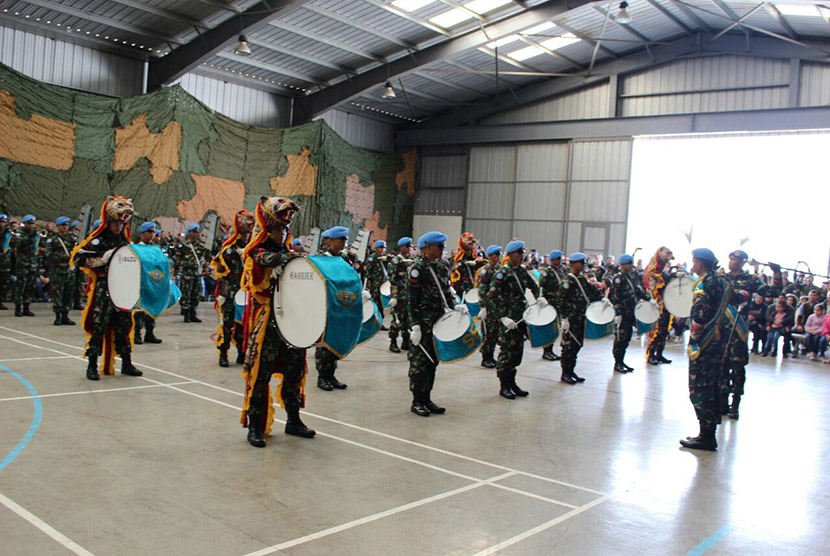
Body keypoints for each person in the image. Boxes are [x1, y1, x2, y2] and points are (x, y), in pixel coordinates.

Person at [240, 196, 315, 448]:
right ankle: (255, 427)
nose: (282, 234)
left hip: (292, 322)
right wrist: (286, 259)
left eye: (285, 229)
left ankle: (293, 420)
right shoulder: (257, 249)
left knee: (294, 372)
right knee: (260, 375)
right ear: (268, 228)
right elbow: (262, 259)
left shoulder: (291, 252)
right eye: (277, 229)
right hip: (269, 322)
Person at [70, 196, 142, 381]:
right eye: (116, 224)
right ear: (109, 222)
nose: (119, 227)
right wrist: (101, 259)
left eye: (122, 224)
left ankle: (126, 363)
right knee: (98, 325)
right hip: (103, 290)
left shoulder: (126, 243)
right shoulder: (97, 241)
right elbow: (78, 257)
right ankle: (92, 365)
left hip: (122, 290)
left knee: (124, 326)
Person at [680, 248, 735, 451]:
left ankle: (706, 436)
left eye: (694, 261)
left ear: (700, 263)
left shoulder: (705, 283)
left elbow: (700, 315)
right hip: (717, 341)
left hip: (704, 343)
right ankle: (709, 431)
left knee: (699, 389)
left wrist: (694, 338)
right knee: (712, 386)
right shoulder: (721, 281)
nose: (692, 265)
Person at [407, 231, 456, 417]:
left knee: (432, 362)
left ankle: (427, 398)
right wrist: (415, 326)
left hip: (438, 321)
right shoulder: (416, 269)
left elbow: (446, 292)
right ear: (427, 247)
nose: (443, 250)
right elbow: (412, 300)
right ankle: (417, 400)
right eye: (440, 246)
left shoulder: (443, 266)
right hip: (423, 323)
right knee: (419, 363)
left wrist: (454, 309)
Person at [489, 240, 543, 399]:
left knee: (517, 352)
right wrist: (502, 317)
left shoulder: (521, 271)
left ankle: (512, 383)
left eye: (523, 253)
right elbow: (492, 297)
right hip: (508, 319)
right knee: (506, 352)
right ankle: (504, 385)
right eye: (520, 253)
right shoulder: (502, 273)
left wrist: (539, 298)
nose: (522, 256)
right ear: (511, 254)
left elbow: (534, 286)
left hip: (520, 318)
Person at [719, 250, 761, 419]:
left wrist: (777, 275)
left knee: (737, 366)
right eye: (730, 259)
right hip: (722, 329)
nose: (731, 262)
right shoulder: (723, 278)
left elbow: (770, 291)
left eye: (735, 260)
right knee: (721, 365)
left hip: (738, 329)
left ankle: (735, 404)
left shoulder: (751, 280)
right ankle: (722, 401)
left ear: (743, 262)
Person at [210, 210, 253, 367]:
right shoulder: (229, 245)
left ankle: (242, 353)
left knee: (244, 322)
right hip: (230, 289)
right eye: (246, 222)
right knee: (226, 323)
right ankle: (223, 353)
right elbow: (219, 268)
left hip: (247, 290)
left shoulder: (253, 245)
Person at [314, 226, 354, 391]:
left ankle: (331, 375)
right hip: (324, 306)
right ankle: (322, 377)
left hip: (341, 305)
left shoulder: (345, 258)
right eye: (340, 240)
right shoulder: (319, 259)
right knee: (324, 342)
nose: (343, 243)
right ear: (328, 241)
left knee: (336, 340)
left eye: (345, 239)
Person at [556, 252, 604, 384]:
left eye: (583, 262)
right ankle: (565, 373)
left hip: (580, 317)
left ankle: (571, 371)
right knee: (568, 347)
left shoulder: (582, 279)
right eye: (581, 263)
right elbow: (560, 301)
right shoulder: (567, 281)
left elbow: (592, 292)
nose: (583, 265)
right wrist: (564, 318)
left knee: (577, 345)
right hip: (570, 320)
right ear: (573, 264)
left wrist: (603, 298)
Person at [610, 253, 650, 373]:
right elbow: (615, 297)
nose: (631, 266)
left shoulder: (631, 276)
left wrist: (649, 299)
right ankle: (617, 363)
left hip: (631, 312)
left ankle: (621, 361)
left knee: (627, 338)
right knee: (620, 338)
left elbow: (637, 290)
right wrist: (618, 313)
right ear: (623, 265)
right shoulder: (618, 278)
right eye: (629, 264)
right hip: (623, 313)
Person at [131, 222, 164, 345]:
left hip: (154, 282)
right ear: (142, 234)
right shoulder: (136, 248)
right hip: (141, 283)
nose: (152, 234)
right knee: (139, 310)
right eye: (149, 232)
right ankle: (137, 334)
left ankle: (149, 332)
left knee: (152, 308)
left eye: (153, 232)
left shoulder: (156, 249)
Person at [644, 246, 675, 365]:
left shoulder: (661, 272)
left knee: (664, 330)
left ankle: (659, 353)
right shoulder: (652, 272)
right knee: (656, 330)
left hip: (666, 304)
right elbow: (655, 288)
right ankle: (651, 354)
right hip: (657, 305)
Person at [44, 216, 77, 326]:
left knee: (68, 293)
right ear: (58, 226)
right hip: (58, 270)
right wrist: (61, 257)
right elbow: (48, 253)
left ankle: (65, 316)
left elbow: (76, 251)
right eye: (63, 225)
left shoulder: (72, 238)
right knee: (57, 293)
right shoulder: (53, 239)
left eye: (67, 225)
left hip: (69, 270)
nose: (65, 227)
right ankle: (58, 316)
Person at [476, 245, 502, 368]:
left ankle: (491, 356)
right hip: (488, 306)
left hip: (497, 306)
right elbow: (481, 290)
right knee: (488, 333)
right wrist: (482, 307)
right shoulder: (485, 270)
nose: (499, 256)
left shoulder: (499, 269)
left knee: (495, 332)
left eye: (499, 254)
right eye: (496, 254)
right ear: (490, 256)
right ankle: (485, 358)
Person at [177, 223, 208, 323]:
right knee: (186, 294)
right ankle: (186, 314)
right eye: (194, 232)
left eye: (197, 232)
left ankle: (193, 313)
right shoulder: (183, 246)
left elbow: (204, 258)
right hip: (187, 274)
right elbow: (178, 260)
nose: (196, 234)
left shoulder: (200, 246)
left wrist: (204, 266)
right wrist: (189, 263)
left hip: (197, 274)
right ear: (189, 233)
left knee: (196, 293)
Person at [388, 237, 414, 354]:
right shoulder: (396, 261)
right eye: (407, 246)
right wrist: (394, 296)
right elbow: (392, 280)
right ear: (402, 247)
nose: (409, 249)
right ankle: (393, 342)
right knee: (397, 319)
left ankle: (405, 341)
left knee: (408, 319)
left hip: (409, 295)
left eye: (410, 246)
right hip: (399, 295)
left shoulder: (411, 260)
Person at [539, 250, 566, 362]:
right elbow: (541, 287)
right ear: (552, 260)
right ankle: (547, 351)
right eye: (558, 259)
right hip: (549, 303)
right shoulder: (547, 272)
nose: (560, 261)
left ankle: (551, 350)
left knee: (556, 326)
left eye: (560, 259)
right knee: (549, 327)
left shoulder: (561, 270)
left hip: (558, 302)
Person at [11, 214, 40, 317]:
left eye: (33, 223)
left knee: (31, 286)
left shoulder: (34, 233)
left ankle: (27, 307)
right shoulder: (19, 232)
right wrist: (29, 236)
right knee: (21, 286)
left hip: (32, 263)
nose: (31, 225)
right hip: (22, 263)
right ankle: (18, 307)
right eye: (30, 223)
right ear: (25, 223)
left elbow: (39, 246)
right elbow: (17, 243)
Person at [450, 232, 484, 298]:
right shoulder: (458, 258)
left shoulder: (475, 256)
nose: (472, 243)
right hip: (462, 289)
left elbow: (486, 263)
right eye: (469, 241)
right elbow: (454, 273)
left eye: (473, 242)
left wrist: (477, 263)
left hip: (474, 288)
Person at [364, 239, 389, 326]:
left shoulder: (383, 258)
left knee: (381, 303)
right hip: (375, 285)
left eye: (384, 247)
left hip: (382, 285)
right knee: (375, 303)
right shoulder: (372, 258)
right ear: (377, 248)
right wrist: (368, 285)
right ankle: (375, 322)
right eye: (381, 247)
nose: (383, 249)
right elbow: (367, 272)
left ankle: (379, 322)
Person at [0, 214, 11, 309]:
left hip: (5, 260)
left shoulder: (8, 233)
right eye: (1, 222)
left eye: (4, 222)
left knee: (4, 282)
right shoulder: (3, 232)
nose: (2, 224)